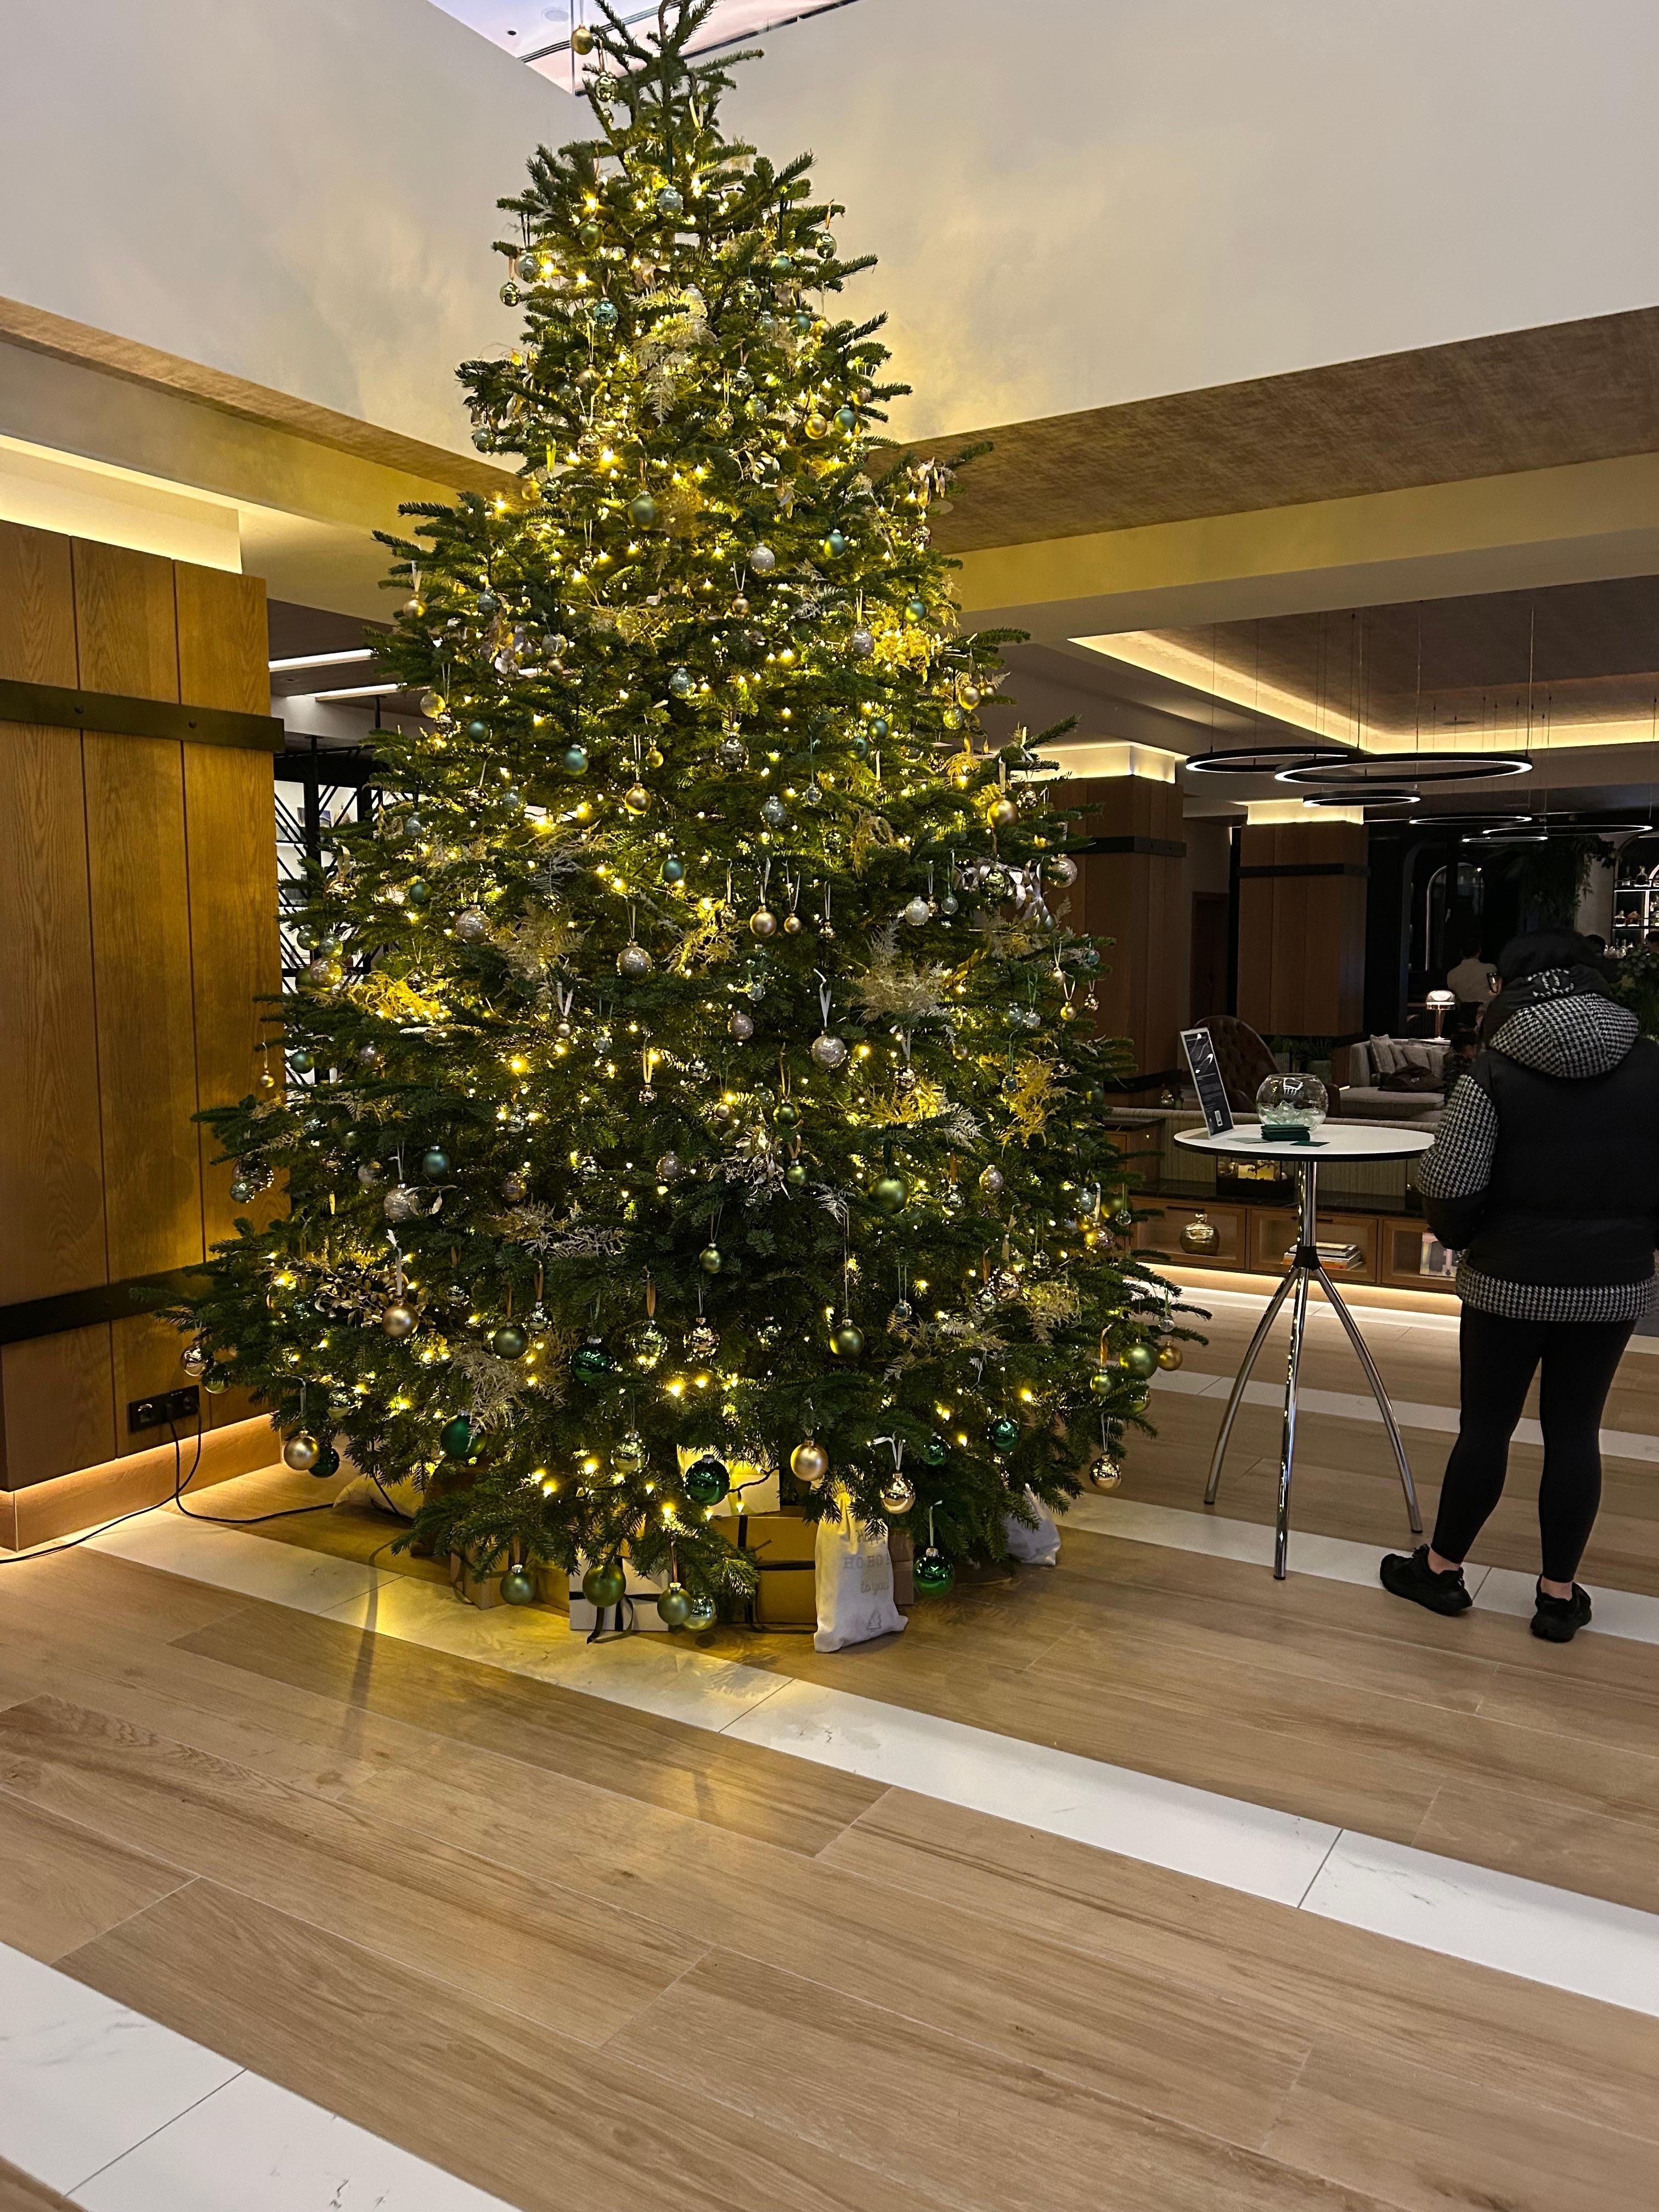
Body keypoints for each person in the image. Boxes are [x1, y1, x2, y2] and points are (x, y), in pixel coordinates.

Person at [1381, 929, 1659, 1641]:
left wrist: (1465, 1238)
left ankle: (1441, 1571)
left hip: (1508, 1281)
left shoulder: (1494, 1071)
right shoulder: (1652, 1065)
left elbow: (1449, 1184)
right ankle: (1558, 1597)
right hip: (1611, 1285)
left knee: (1486, 1427)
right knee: (1576, 1432)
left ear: (1508, 989)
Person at [1444, 942, 1498, 1006]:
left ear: (1461, 953)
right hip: (1487, 1010)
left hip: (1463, 1011)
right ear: (1479, 951)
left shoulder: (1451, 975)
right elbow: (1496, 992)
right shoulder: (1491, 969)